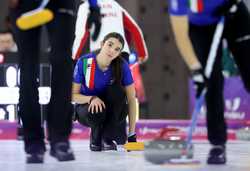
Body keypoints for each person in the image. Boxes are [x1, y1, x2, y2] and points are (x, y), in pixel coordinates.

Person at [8, 0, 101, 163]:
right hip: (25, 4)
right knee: (28, 67)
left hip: (61, 3)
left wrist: (94, 6)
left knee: (62, 62)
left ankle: (59, 139)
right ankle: (33, 142)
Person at [168, 0, 250, 164]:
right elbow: (181, 36)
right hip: (201, 28)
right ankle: (218, 144)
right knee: (210, 82)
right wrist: (195, 69)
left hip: (234, 14)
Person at [72, 0, 149, 118]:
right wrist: (142, 53)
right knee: (119, 97)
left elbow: (81, 33)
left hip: (100, 53)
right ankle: (118, 135)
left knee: (98, 95)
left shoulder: (85, 6)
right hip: (121, 53)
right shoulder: (114, 4)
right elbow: (135, 29)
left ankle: (99, 134)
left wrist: (74, 57)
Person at [72, 32, 137, 151]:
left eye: (117, 49)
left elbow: (132, 99)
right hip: (87, 110)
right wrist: (91, 99)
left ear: (119, 53)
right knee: (97, 109)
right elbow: (73, 95)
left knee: (118, 92)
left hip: (113, 110)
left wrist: (132, 135)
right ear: (102, 44)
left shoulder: (122, 65)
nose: (112, 50)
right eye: (110, 45)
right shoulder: (85, 62)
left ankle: (107, 137)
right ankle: (96, 139)